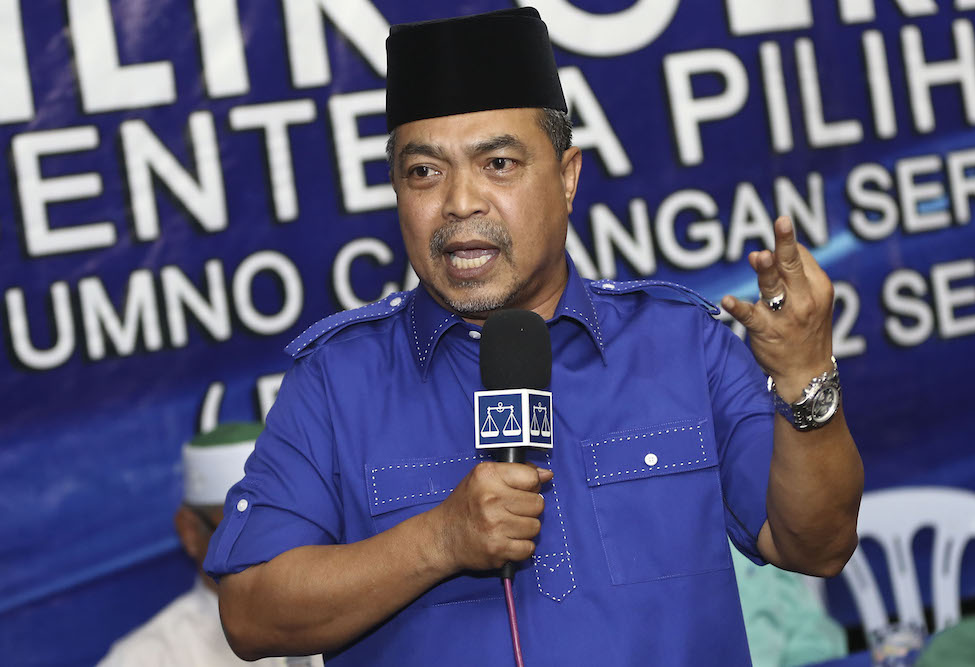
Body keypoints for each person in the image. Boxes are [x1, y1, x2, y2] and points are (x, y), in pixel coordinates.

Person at [204, 7, 864, 665]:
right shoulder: (337, 382)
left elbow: (815, 544)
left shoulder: (680, 343)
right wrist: (439, 539)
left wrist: (806, 379)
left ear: (568, 176)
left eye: (497, 162)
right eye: (424, 172)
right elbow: (251, 611)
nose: (460, 201)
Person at [99, 423, 322, 667]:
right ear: (190, 531)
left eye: (285, 524)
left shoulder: (342, 610)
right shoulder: (147, 659)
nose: (273, 546)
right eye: (247, 530)